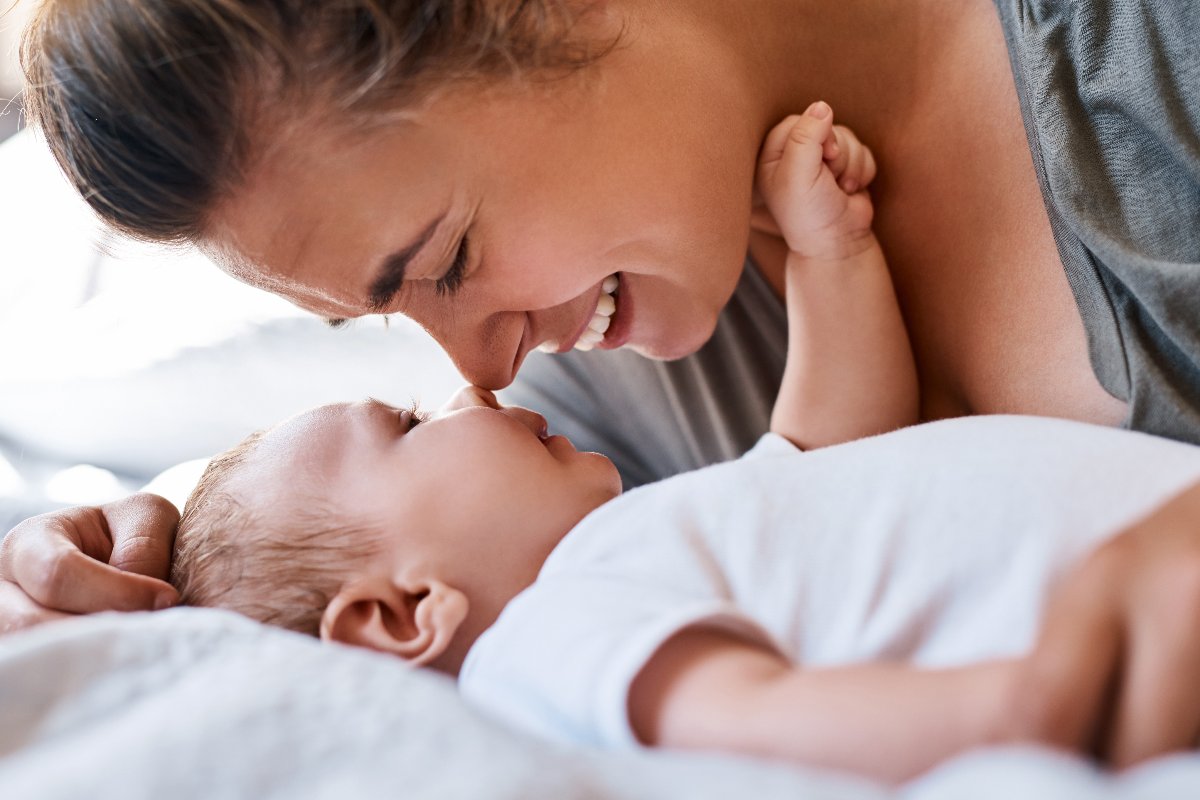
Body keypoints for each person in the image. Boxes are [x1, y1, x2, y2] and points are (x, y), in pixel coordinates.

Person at [1, 0, 1198, 767]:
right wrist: (153, 603)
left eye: (450, 260)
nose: (481, 370)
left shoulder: (1155, 63)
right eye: (386, 319)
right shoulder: (600, 450)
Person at [166, 394, 1200, 785]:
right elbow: (757, 717)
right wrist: (1024, 703)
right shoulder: (547, 631)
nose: (471, 391)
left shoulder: (634, 542)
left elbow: (824, 436)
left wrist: (829, 257)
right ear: (403, 613)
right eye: (408, 425)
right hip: (1118, 647)